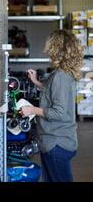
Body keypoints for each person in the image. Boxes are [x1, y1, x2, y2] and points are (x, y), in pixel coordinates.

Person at [21, 29, 83, 182]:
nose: (46, 49)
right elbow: (54, 93)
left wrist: (32, 110)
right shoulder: (61, 73)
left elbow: (59, 112)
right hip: (54, 141)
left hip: (57, 143)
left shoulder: (61, 76)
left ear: (56, 48)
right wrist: (36, 82)